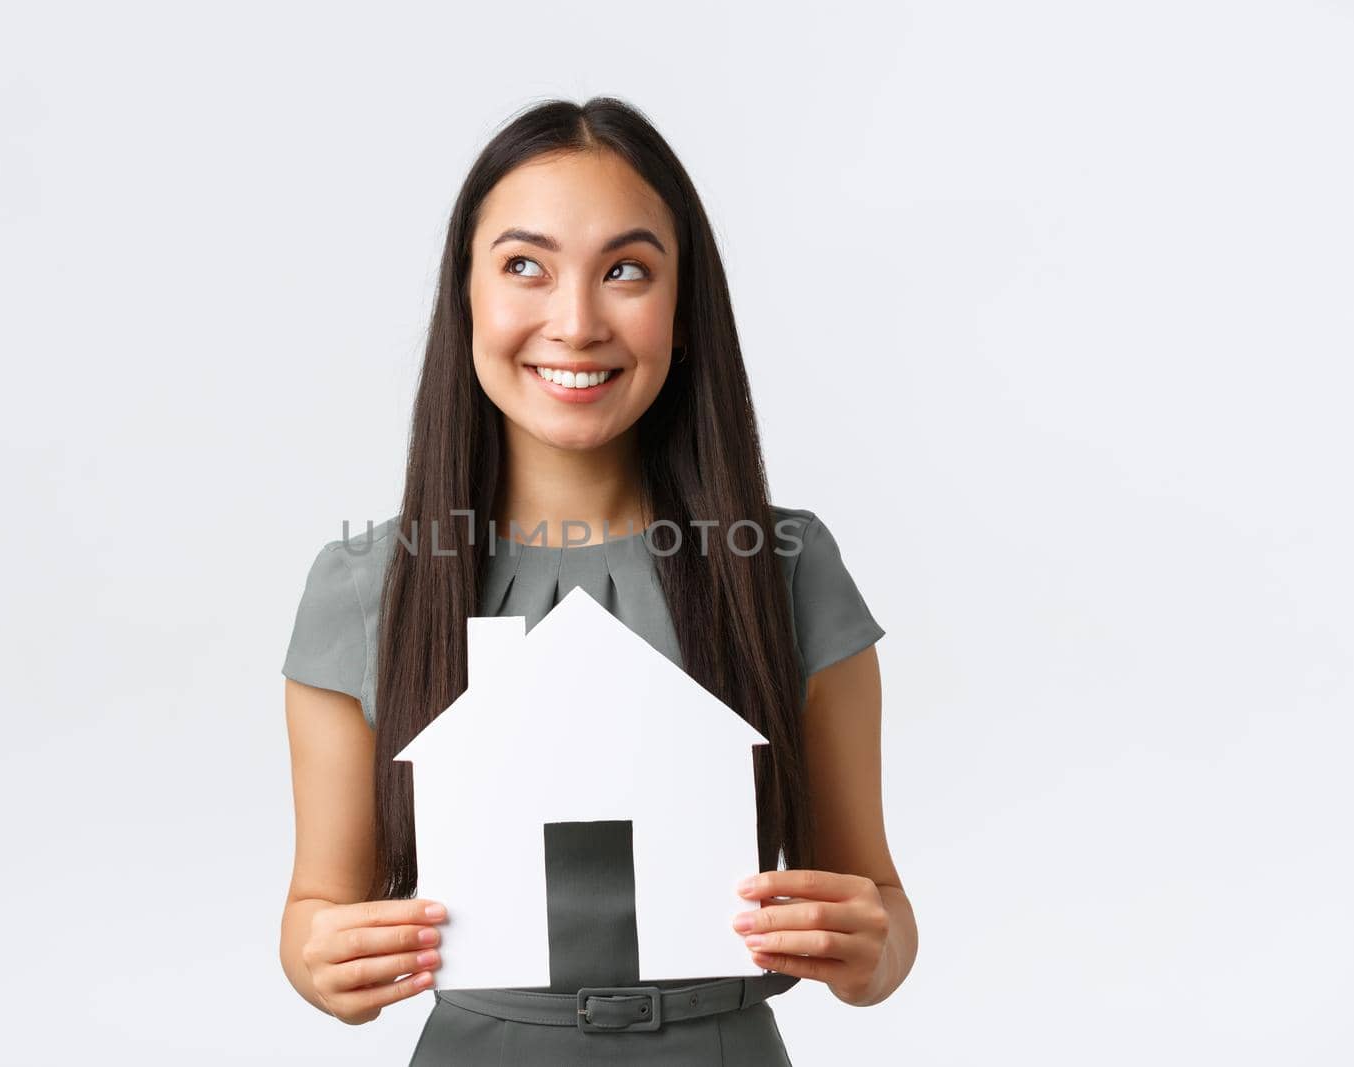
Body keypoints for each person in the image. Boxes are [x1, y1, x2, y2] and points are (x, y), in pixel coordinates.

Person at [277, 96, 918, 1064]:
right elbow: (314, 908)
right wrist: (323, 961)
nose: (574, 323)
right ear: (466, 296)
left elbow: (883, 909)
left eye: (625, 270)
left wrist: (869, 950)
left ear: (683, 306)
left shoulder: (780, 572)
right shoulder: (366, 589)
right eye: (524, 266)